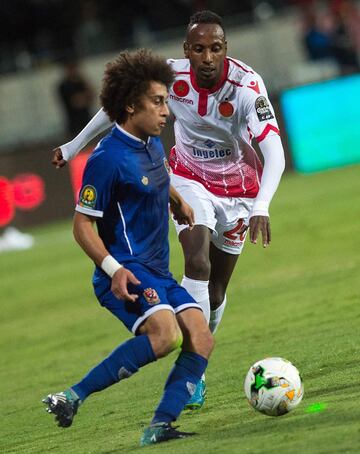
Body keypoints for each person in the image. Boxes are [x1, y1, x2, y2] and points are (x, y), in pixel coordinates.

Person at [51, 10, 285, 410]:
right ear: (186, 51)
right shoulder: (170, 76)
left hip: (238, 189)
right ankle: (194, 377)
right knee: (196, 258)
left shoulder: (246, 86)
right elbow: (118, 107)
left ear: (225, 48)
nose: (208, 57)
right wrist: (74, 146)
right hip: (187, 177)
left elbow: (274, 152)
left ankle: (195, 353)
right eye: (199, 48)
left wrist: (261, 205)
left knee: (216, 289)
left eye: (215, 48)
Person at [43, 49, 214, 447]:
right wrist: (113, 269)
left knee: (201, 338)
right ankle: (71, 397)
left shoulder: (150, 140)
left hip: (157, 269)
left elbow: (154, 173)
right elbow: (81, 225)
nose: (166, 111)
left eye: (167, 101)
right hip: (126, 271)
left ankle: (160, 426)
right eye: (158, 102)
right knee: (166, 335)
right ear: (131, 105)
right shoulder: (106, 159)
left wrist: (175, 198)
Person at [57, 57, 95, 137]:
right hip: (74, 124)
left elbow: (92, 96)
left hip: (87, 121)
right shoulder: (64, 86)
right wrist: (85, 97)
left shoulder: (81, 82)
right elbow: (76, 102)